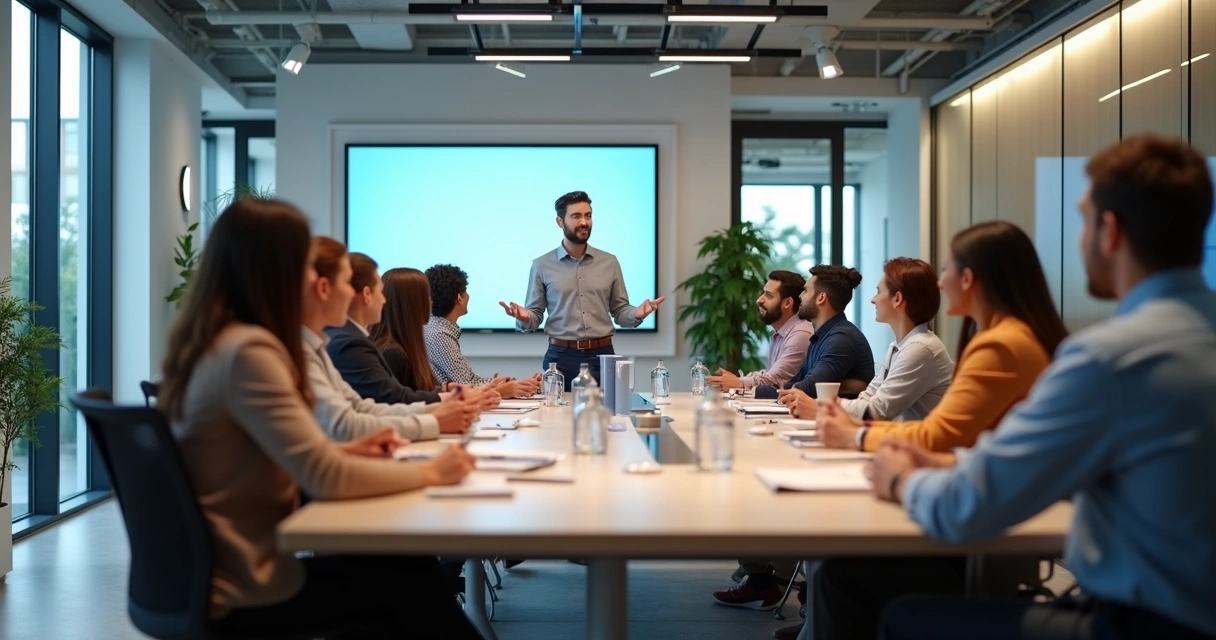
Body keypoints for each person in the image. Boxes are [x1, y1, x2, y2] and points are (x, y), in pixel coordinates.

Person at [872, 135, 1216, 640]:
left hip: (1144, 625)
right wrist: (952, 463)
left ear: (1110, 232)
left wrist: (902, 479)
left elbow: (968, 508)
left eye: (1083, 221)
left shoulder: (1108, 360)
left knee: (902, 617)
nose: (1078, 240)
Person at [159, 198, 482, 638]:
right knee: (406, 575)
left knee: (401, 568)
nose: (319, 279)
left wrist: (347, 448)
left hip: (218, 577)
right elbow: (323, 475)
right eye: (306, 263)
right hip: (244, 590)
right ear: (279, 271)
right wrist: (433, 472)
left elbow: (296, 450)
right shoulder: (249, 352)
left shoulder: (225, 341)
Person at [772, 223, 1069, 640]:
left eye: (947, 269)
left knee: (838, 565)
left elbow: (935, 434)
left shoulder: (997, 345)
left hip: (983, 525)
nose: (941, 282)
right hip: (978, 496)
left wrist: (855, 436)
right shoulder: (994, 339)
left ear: (970, 279)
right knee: (834, 558)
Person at [305, 238, 479, 443]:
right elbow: (383, 403)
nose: (384, 299)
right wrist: (438, 417)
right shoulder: (348, 344)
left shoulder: (327, 342)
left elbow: (362, 408)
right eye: (346, 282)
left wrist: (445, 402)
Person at [498, 190, 664, 386]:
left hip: (602, 356)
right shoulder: (541, 265)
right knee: (557, 407)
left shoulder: (609, 262)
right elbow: (534, 316)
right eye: (576, 216)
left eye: (588, 215)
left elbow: (620, 310)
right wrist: (525, 317)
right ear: (560, 222)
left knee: (608, 406)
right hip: (560, 358)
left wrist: (636, 313)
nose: (584, 222)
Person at [783, 258, 952, 421]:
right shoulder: (899, 346)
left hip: (911, 440)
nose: (873, 299)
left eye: (879, 292)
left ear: (897, 299)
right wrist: (828, 404)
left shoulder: (920, 348)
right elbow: (868, 397)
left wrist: (821, 407)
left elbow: (877, 411)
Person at [324, 252, 447, 406]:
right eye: (380, 292)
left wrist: (442, 392)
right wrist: (446, 398)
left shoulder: (366, 341)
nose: (383, 301)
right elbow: (391, 400)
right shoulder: (387, 351)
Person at [754, 265, 874, 401]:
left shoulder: (841, 339)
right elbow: (797, 382)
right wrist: (755, 391)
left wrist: (753, 391)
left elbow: (810, 388)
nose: (800, 296)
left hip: (843, 415)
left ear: (821, 298)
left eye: (805, 291)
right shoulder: (821, 336)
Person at [424, 263, 542, 399]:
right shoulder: (440, 334)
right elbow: (466, 384)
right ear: (459, 298)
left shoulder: (435, 328)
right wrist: (505, 388)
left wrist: (514, 385)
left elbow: (469, 381)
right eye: (465, 290)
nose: (468, 295)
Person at [706, 270, 814, 391]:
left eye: (769, 295)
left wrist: (739, 382)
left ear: (787, 303)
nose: (759, 300)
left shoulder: (800, 335)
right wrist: (738, 380)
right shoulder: (780, 333)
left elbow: (774, 381)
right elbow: (770, 374)